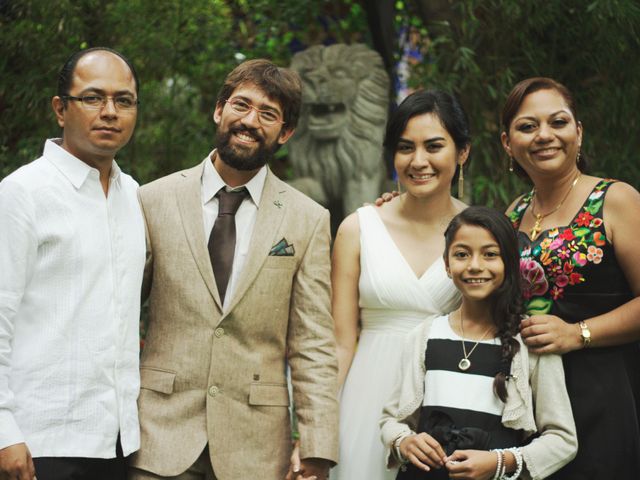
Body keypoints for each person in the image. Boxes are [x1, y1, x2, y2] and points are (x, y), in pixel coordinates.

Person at [128, 59, 338, 480]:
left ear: (287, 132)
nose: (250, 121)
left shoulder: (307, 219)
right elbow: (118, 311)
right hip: (158, 436)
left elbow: (313, 343)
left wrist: (317, 446)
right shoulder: (152, 200)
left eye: (268, 114)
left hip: (256, 448)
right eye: (241, 105)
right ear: (219, 109)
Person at [0, 48, 144, 480]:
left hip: (119, 442)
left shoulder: (133, 196)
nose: (109, 112)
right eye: (93, 98)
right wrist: (4, 432)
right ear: (61, 109)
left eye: (124, 101)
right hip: (41, 443)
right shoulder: (22, 194)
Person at [501, 77, 640, 478]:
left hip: (603, 389)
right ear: (508, 144)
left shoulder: (615, 199)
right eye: (527, 127)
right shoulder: (514, 212)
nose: (544, 135)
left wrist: (577, 333)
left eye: (558, 122)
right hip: (533, 400)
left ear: (578, 132)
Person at [380, 206, 577, 480]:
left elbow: (563, 439)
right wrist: (404, 441)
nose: (474, 265)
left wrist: (500, 461)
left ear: (509, 263)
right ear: (447, 265)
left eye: (490, 254)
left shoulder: (532, 341)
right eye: (462, 254)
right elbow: (391, 420)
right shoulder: (424, 335)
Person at [330, 90, 465, 480]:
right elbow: (341, 341)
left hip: (448, 400)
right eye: (405, 148)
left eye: (434, 146)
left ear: (462, 153)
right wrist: (316, 427)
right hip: (365, 403)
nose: (418, 161)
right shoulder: (358, 228)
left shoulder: (483, 234)